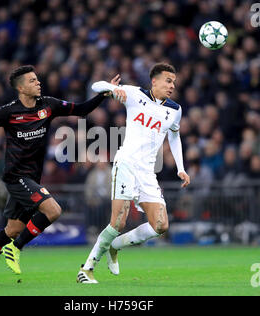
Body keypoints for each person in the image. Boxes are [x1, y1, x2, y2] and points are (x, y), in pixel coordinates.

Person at [0, 65, 116, 285]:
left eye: (37, 79)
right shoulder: (8, 112)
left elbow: (82, 110)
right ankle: (16, 248)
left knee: (13, 229)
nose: (38, 82)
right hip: (15, 176)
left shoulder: (48, 105)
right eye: (32, 81)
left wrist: (104, 94)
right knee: (54, 210)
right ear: (20, 88)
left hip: (31, 179)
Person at [77, 63, 190, 283]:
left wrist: (181, 168)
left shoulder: (175, 110)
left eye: (174, 82)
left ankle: (115, 245)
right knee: (118, 222)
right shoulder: (135, 94)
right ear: (154, 81)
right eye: (168, 81)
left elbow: (174, 137)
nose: (172, 86)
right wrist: (110, 87)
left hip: (148, 171)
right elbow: (95, 86)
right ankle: (87, 268)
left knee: (161, 225)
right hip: (126, 164)